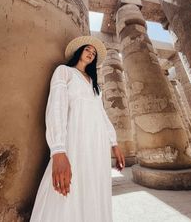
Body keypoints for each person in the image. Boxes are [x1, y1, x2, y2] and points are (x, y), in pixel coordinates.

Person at [30, 35, 125, 222]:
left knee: (94, 189)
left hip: (97, 144)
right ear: (79, 51)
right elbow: (56, 108)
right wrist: (57, 149)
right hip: (75, 138)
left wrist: (114, 143)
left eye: (94, 53)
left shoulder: (94, 85)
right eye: (88, 49)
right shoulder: (64, 72)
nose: (91, 53)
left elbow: (102, 115)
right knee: (69, 190)